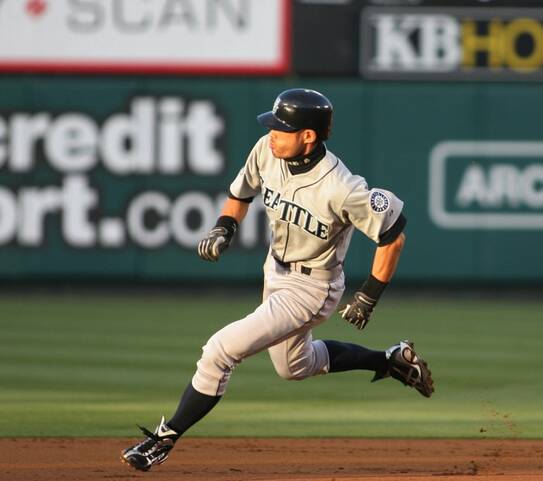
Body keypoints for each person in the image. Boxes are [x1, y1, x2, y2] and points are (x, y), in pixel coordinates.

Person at [120, 88, 434, 472]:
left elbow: (393, 236)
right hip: (274, 270)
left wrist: (368, 295)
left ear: (308, 136)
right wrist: (224, 228)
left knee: (219, 350)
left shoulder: (342, 187)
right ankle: (391, 361)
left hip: (312, 288)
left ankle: (162, 441)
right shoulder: (267, 151)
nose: (272, 134)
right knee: (294, 366)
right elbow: (240, 193)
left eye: (282, 129)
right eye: (272, 126)